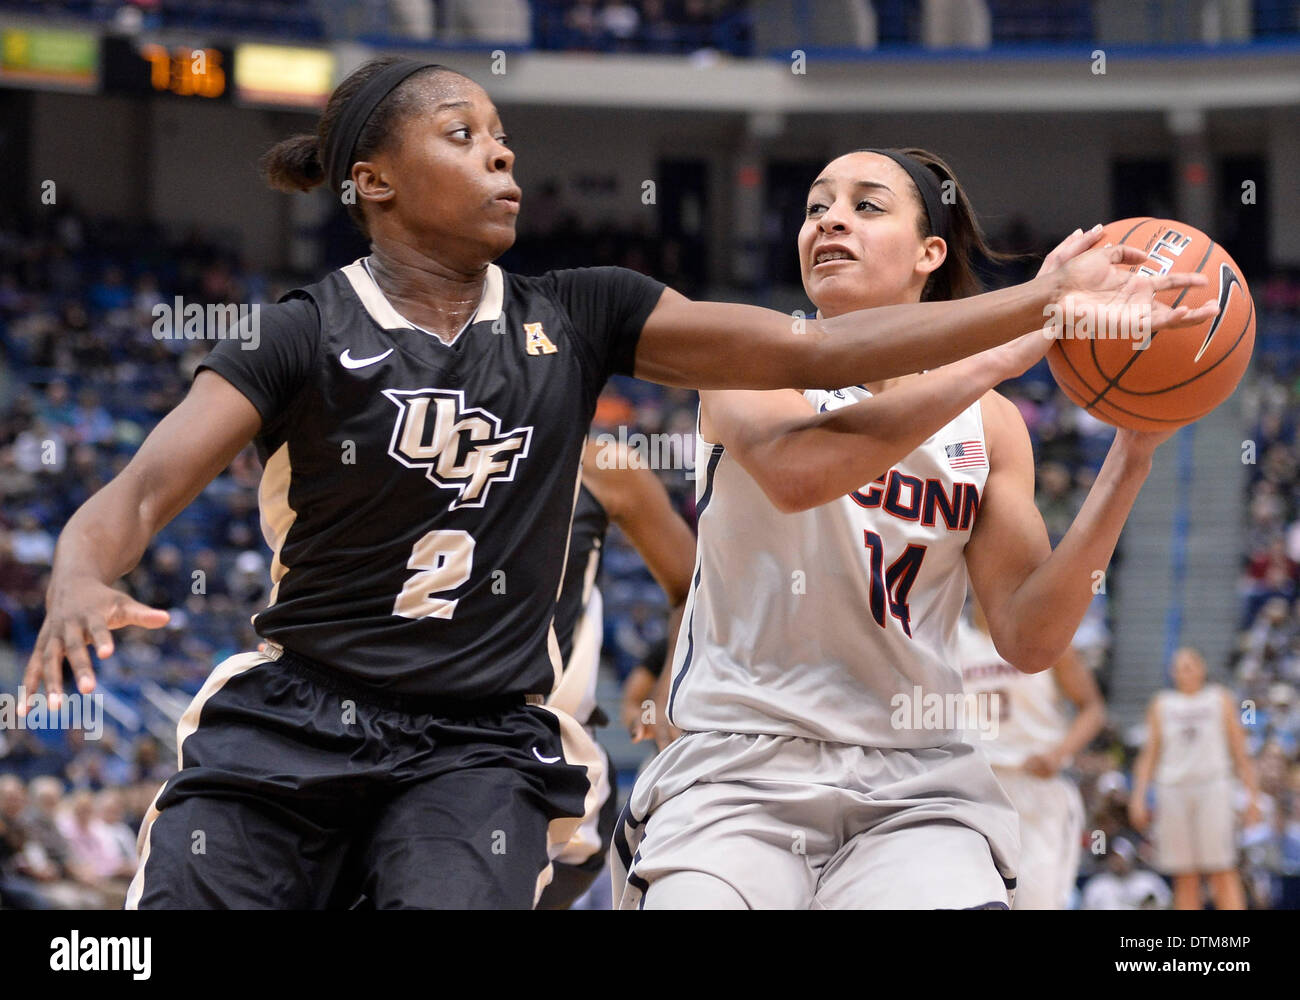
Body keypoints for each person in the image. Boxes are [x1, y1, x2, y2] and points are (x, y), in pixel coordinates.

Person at [22, 57, 1209, 910]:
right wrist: (79, 570)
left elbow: (813, 365)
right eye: (463, 135)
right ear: (372, 181)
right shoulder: (298, 332)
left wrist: (1075, 367)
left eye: (501, 134)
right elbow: (140, 489)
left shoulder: (583, 313)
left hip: (479, 742)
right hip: (313, 713)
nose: (501, 152)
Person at [613, 147, 1215, 909]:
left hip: (913, 784)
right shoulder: (747, 355)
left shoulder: (991, 425)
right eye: (816, 207)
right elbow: (801, 473)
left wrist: (1132, 454)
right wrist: (1003, 349)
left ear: (930, 253)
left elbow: (1029, 639)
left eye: (865, 205)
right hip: (738, 772)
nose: (830, 220)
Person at [537, 436, 694, 908]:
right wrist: (640, 711)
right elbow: (632, 698)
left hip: (559, 758)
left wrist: (659, 705)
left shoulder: (602, 467)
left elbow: (691, 588)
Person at [956, 597, 1106, 908]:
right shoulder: (951, 639)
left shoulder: (1046, 638)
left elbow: (1092, 709)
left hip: (1034, 781)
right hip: (974, 785)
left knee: (1038, 901)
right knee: (970, 897)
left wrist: (1059, 754)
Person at [1129, 646, 1262, 910]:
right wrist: (1138, 796)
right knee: (1184, 874)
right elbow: (1149, 754)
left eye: (1189, 666)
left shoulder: (1219, 698)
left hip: (1213, 787)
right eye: (1178, 668)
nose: (1183, 672)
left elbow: (1240, 751)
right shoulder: (1161, 703)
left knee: (1222, 869)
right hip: (1172, 789)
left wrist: (1252, 796)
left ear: (1202, 669)